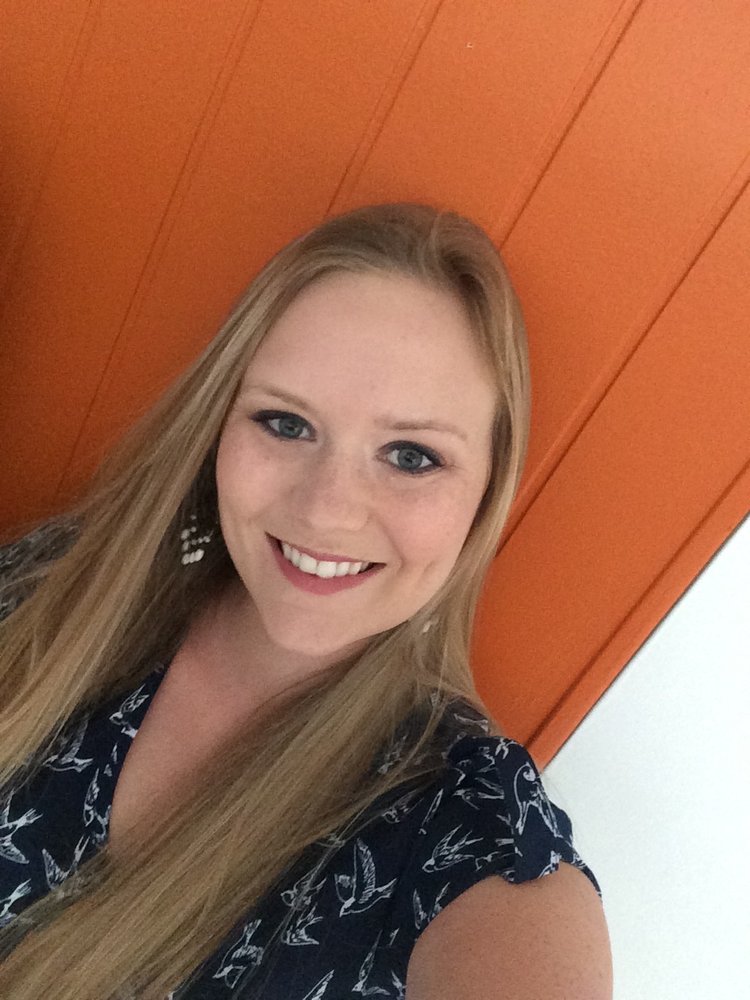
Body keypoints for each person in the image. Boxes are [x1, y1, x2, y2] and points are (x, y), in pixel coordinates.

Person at [0, 202, 612, 998]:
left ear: (484, 497)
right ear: (219, 427)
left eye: (411, 455)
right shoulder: (49, 587)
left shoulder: (462, 827)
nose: (327, 509)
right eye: (285, 423)